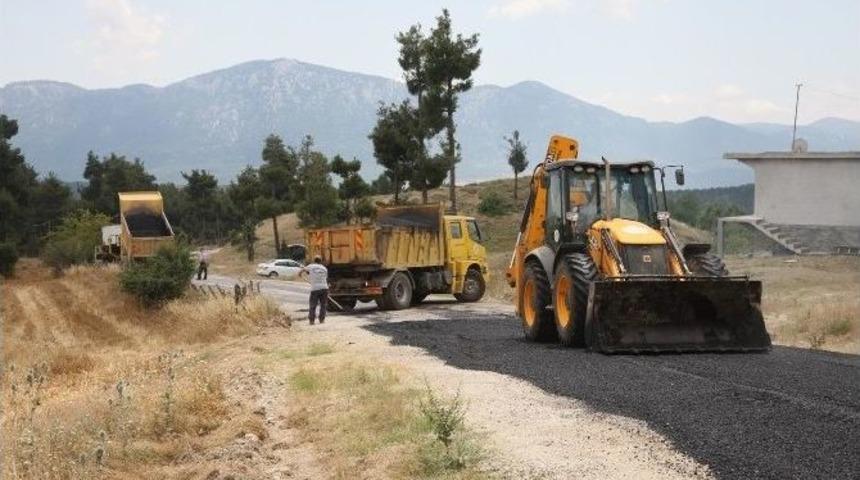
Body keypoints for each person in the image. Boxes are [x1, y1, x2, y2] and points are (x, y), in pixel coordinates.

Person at [301, 255, 329, 325]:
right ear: (321, 261)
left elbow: (302, 271)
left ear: (314, 260)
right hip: (324, 288)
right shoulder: (324, 268)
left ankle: (312, 321)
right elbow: (325, 278)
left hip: (315, 289)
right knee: (323, 305)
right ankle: (322, 320)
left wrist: (300, 275)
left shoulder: (311, 266)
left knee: (313, 305)